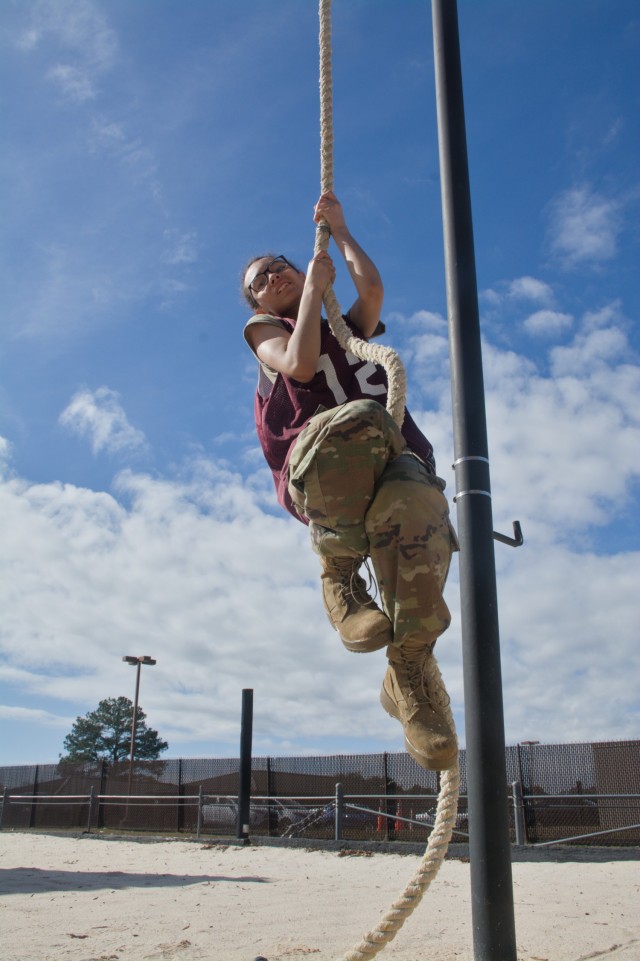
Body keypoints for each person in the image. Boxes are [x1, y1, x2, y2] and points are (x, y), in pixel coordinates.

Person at [241, 191, 458, 771]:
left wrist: (340, 230)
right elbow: (298, 365)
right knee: (361, 418)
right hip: (320, 472)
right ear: (256, 301)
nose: (274, 275)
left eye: (279, 265)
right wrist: (311, 290)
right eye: (261, 279)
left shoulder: (342, 325)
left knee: (420, 502)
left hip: (391, 459)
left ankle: (409, 674)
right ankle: (339, 574)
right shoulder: (266, 330)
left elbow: (373, 292)